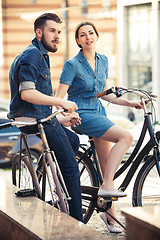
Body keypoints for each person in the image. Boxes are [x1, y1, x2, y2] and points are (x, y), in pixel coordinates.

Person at [56, 21, 143, 232]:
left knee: (106, 168)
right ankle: (106, 188)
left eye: (91, 33)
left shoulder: (103, 61)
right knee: (126, 137)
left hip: (99, 113)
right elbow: (59, 98)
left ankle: (108, 216)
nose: (88, 37)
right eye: (83, 35)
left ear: (96, 36)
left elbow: (105, 94)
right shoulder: (72, 64)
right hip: (82, 114)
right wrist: (66, 114)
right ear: (78, 40)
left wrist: (130, 102)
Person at [8, 13, 83, 222]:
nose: (57, 36)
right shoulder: (32, 55)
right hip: (32, 121)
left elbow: (35, 105)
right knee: (70, 167)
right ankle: (76, 221)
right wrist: (61, 102)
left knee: (73, 141)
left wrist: (59, 119)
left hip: (37, 117)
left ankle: (58, 187)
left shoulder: (40, 55)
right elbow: (27, 93)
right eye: (52, 31)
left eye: (59, 32)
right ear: (39, 33)